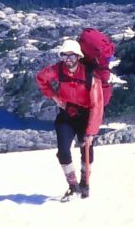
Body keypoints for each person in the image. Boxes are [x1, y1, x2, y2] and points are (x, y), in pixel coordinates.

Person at [36, 38, 104, 199]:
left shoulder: (90, 76)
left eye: (72, 56)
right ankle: (73, 185)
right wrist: (55, 97)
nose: (68, 59)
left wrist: (90, 132)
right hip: (67, 115)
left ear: (78, 57)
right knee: (63, 151)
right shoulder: (58, 70)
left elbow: (97, 104)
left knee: (86, 149)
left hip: (85, 117)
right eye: (64, 55)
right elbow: (41, 78)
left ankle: (84, 184)